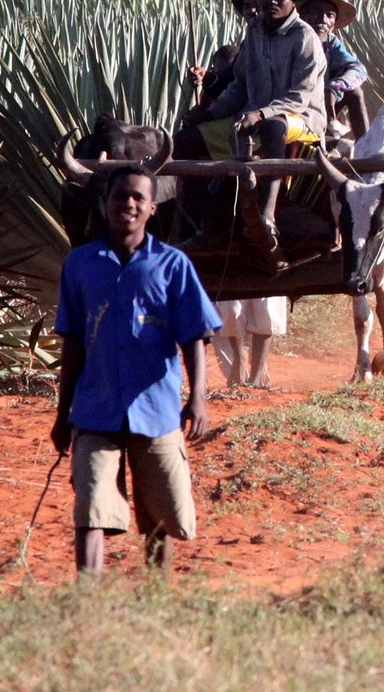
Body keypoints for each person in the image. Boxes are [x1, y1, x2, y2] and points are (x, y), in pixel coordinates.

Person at [52, 166, 221, 574]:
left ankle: (154, 596)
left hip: (157, 411)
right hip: (95, 410)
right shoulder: (80, 264)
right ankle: (86, 599)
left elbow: (194, 335)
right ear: (105, 203)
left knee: (161, 519)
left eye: (138, 197)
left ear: (152, 208)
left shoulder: (172, 264)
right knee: (90, 511)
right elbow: (73, 343)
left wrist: (197, 398)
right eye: (119, 196)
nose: (127, 204)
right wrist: (62, 414)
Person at [184, 0, 326, 265]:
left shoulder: (305, 38)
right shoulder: (254, 32)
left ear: (293, 1)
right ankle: (209, 225)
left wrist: (261, 114)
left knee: (274, 126)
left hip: (302, 119)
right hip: (253, 120)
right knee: (187, 140)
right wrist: (210, 114)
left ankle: (268, 214)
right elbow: (239, 86)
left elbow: (300, 97)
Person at [299, 0, 369, 140]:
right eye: (315, 12)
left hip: (323, 103)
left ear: (334, 22)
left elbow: (358, 69)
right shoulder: (292, 40)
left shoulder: (330, 43)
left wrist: (334, 88)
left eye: (329, 15)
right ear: (302, 15)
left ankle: (365, 144)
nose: (323, 19)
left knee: (355, 92)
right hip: (293, 103)